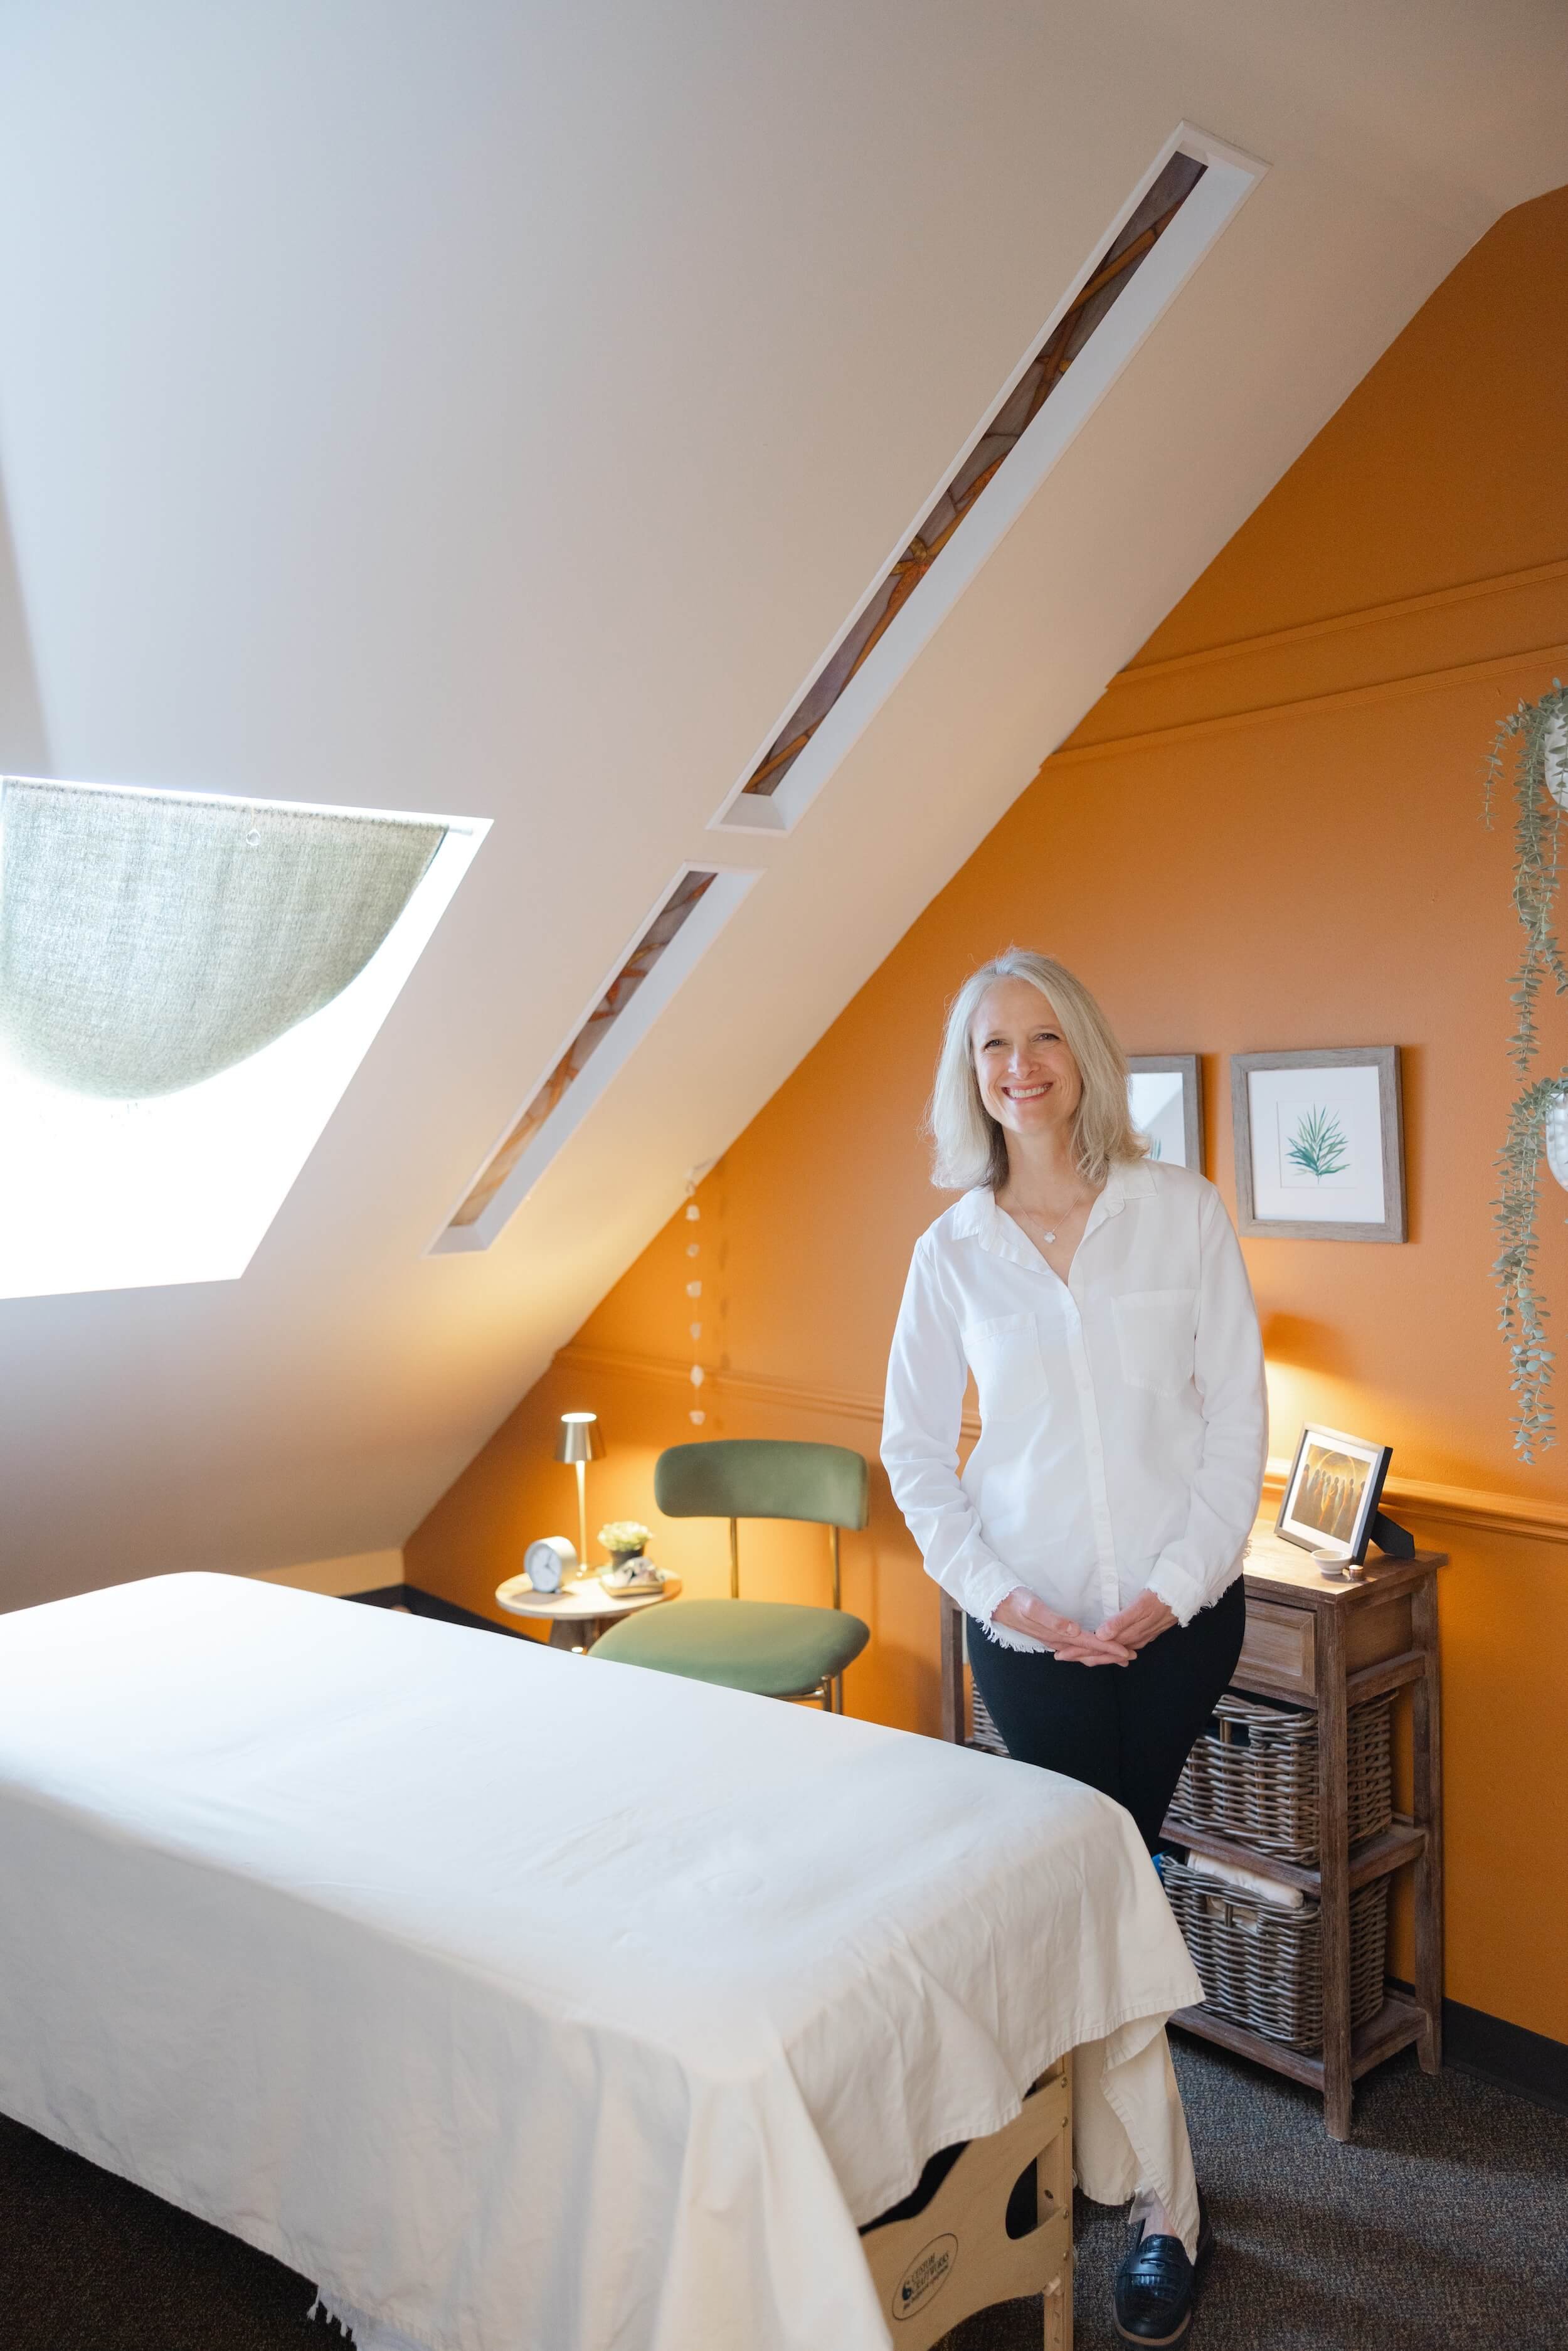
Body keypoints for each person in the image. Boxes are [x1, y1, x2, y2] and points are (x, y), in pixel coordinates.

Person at [881, 948, 1267, 2347]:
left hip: (1173, 1632)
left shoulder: (1179, 1214)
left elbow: (1234, 1418)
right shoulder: (952, 1251)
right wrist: (1001, 1595)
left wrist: (1170, 1586)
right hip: (1029, 1638)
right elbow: (916, 1454)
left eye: (1042, 1038)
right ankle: (1159, 2196)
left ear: (1083, 1054)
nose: (1018, 1066)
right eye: (992, 1046)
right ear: (968, 1072)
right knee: (1099, 1888)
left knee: (1100, 1883)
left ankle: (1103, 2177)